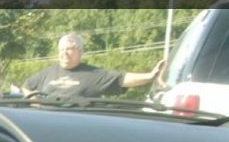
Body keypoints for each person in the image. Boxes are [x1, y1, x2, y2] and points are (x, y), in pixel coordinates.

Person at [22, 33, 164, 98]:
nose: (65, 53)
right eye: (62, 49)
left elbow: (122, 79)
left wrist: (151, 76)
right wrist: (34, 101)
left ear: (80, 52)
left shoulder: (93, 75)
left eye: (69, 49)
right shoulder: (47, 73)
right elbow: (26, 86)